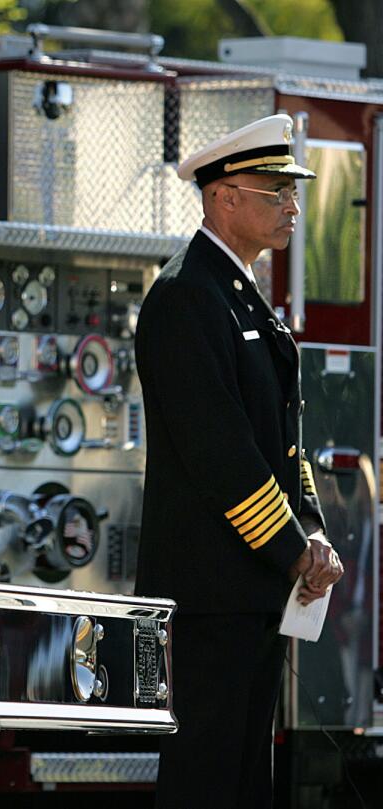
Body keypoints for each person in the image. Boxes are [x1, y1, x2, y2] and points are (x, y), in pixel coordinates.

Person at [134, 113, 344, 808]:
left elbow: (283, 444)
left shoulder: (242, 296)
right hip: (210, 596)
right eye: (274, 191)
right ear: (224, 196)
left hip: (253, 591)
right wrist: (292, 551)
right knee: (205, 781)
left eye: (293, 190)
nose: (291, 206)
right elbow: (221, 454)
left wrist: (311, 531)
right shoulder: (187, 296)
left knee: (248, 784)